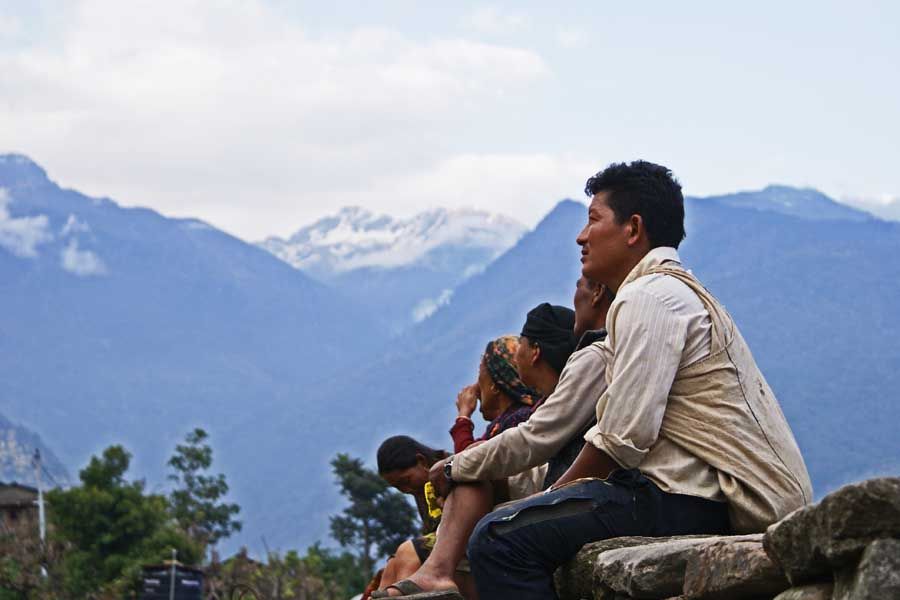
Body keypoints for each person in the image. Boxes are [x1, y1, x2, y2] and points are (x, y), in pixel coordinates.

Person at [465, 160, 814, 600]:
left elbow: (622, 437)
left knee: (499, 540)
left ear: (633, 229)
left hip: (691, 500)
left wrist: (550, 496)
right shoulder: (670, 292)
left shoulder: (649, 297)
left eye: (593, 220)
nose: (581, 236)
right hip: (698, 495)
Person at [375, 294, 609, 598]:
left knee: (418, 551)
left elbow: (530, 443)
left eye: (522, 344)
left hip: (572, 494)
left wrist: (460, 435)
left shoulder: (531, 413)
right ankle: (435, 574)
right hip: (551, 488)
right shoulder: (543, 403)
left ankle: (436, 572)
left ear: (535, 351)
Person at [450, 335, 542, 454]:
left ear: (495, 386)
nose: (476, 387)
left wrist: (463, 416)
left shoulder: (517, 421)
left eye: (480, 377)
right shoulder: (504, 422)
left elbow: (467, 464)